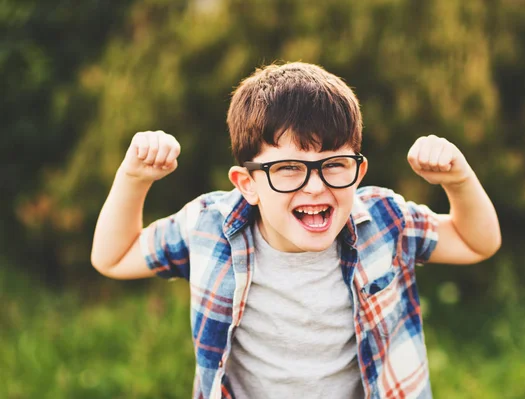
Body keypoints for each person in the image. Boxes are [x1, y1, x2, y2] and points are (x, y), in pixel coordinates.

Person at [91, 62, 501, 399]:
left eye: (334, 165)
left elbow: (476, 242)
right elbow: (114, 256)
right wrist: (134, 177)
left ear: (358, 171)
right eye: (288, 169)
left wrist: (458, 180)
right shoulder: (208, 226)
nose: (316, 185)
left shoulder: (383, 221)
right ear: (247, 184)